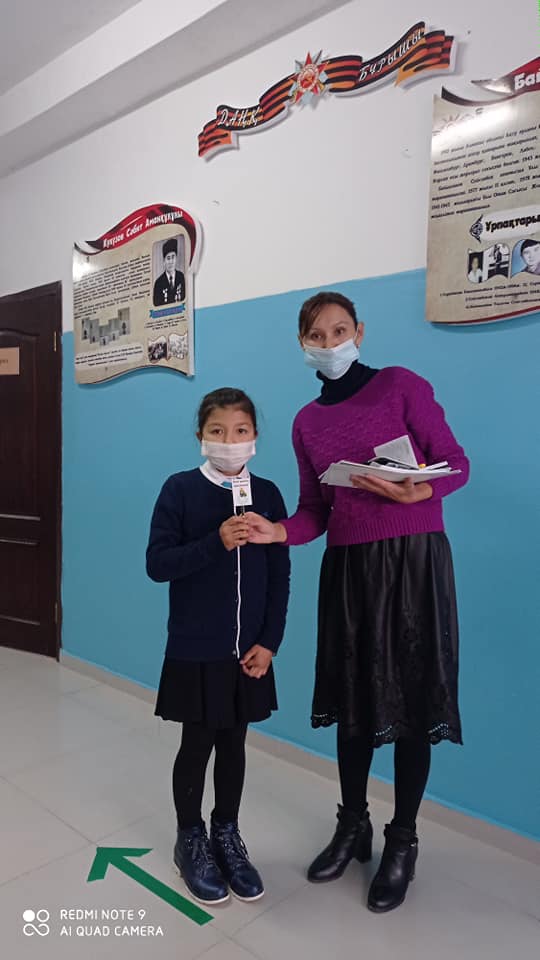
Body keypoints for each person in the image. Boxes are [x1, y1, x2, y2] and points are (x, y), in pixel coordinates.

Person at [247, 291, 469, 914]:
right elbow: (315, 511)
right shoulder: (306, 422)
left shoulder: (401, 386)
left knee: (412, 700)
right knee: (353, 699)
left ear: (360, 332)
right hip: (348, 568)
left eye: (339, 330)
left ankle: (403, 840)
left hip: (414, 561)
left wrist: (418, 492)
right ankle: (353, 825)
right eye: (316, 336)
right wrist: (276, 531)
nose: (330, 343)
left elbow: (456, 465)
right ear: (303, 345)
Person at [146, 388, 290, 905]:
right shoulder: (181, 489)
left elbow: (280, 574)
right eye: (218, 431)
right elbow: (158, 564)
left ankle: (226, 834)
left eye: (241, 431)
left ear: (255, 437)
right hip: (196, 647)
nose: (230, 441)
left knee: (234, 743)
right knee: (198, 743)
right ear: (201, 436)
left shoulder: (267, 494)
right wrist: (216, 542)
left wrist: (269, 642)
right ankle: (190, 839)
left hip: (249, 651)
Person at [153, 237, 185, 306]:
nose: (171, 262)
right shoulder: (158, 283)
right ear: (164, 261)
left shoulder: (181, 277)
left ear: (176, 258)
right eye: (168, 258)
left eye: (173, 257)